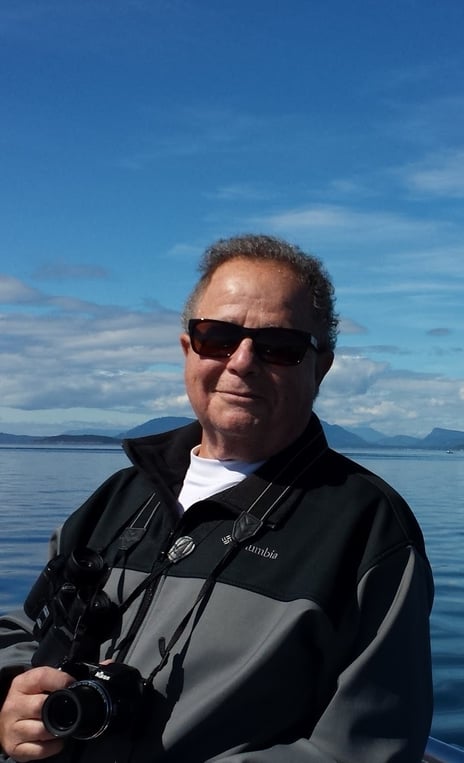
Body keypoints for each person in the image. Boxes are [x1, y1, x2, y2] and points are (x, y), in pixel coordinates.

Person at [0, 234, 434, 762]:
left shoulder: (367, 530)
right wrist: (14, 693)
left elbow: (364, 748)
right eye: (218, 337)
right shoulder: (120, 497)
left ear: (320, 366)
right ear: (189, 349)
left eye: (279, 346)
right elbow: (24, 628)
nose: (243, 361)